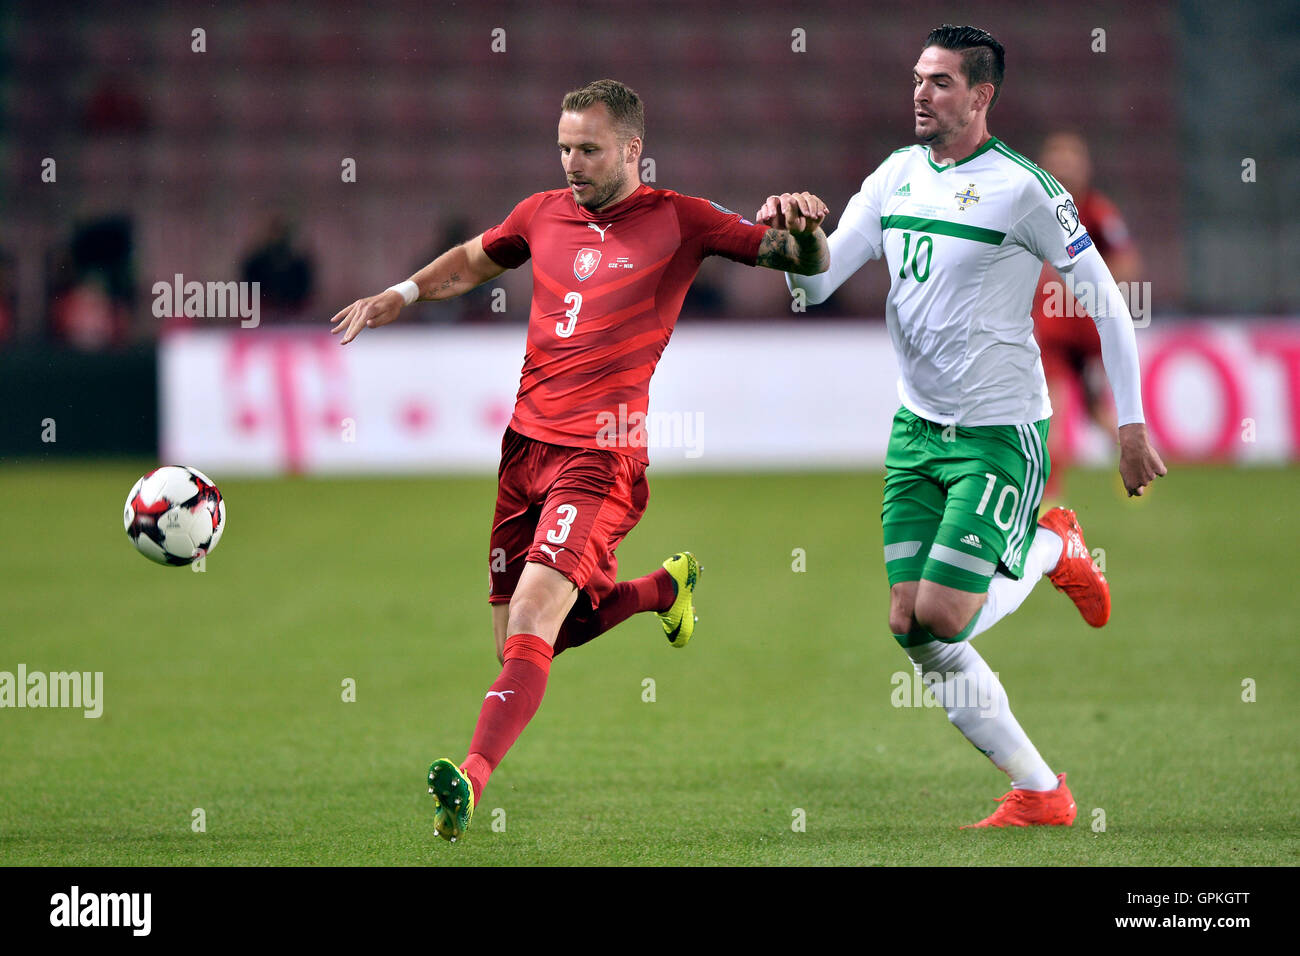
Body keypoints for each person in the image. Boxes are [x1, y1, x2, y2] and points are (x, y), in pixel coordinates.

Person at [330, 79, 829, 842]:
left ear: (632, 149)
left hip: (602, 454)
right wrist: (401, 293)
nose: (572, 162)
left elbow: (789, 255)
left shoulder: (680, 220)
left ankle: (468, 778)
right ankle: (663, 588)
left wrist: (807, 231)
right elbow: (472, 260)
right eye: (564, 146)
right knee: (522, 647)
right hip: (524, 448)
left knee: (533, 618)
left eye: (588, 149)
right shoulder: (542, 213)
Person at [771, 25, 1166, 828]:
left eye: (942, 81)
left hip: (999, 433)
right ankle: (1042, 791)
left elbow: (1105, 305)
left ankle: (1055, 544)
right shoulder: (893, 177)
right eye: (918, 78)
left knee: (944, 615)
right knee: (908, 627)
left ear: (982, 95)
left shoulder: (1026, 190)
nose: (921, 92)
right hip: (917, 431)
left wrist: (1130, 424)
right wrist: (799, 239)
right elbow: (815, 287)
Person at [1031, 131, 1143, 504]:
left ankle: (1137, 459)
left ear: (1085, 168)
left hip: (1089, 335)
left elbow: (1127, 263)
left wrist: (1089, 288)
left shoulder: (1097, 212)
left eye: (1071, 161)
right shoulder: (1033, 211)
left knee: (1096, 413)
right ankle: (1049, 496)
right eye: (1058, 162)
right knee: (1055, 409)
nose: (1064, 169)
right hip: (1053, 337)